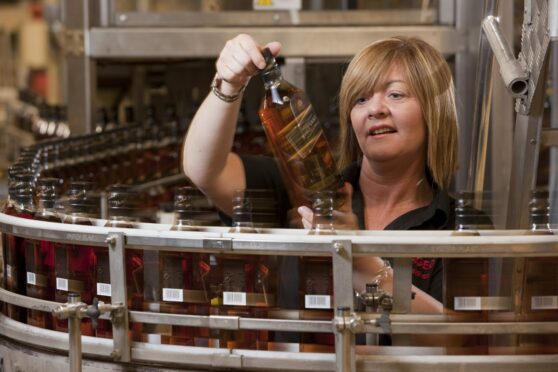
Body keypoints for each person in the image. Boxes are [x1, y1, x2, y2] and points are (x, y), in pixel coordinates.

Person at [183, 34, 459, 314]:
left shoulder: (456, 225)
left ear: (433, 112)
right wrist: (229, 84)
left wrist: (358, 261)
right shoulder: (305, 191)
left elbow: (462, 339)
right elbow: (205, 169)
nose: (375, 109)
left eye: (396, 94)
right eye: (360, 99)